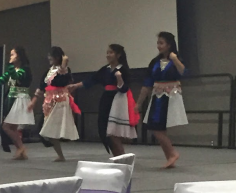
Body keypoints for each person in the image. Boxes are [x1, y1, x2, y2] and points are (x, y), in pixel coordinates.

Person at [68, 44, 139, 157]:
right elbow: (92, 80)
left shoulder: (123, 69)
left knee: (113, 131)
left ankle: (122, 156)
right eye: (107, 52)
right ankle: (116, 156)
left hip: (117, 101)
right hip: (106, 99)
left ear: (118, 55)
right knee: (104, 129)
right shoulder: (105, 69)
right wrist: (76, 86)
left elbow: (124, 88)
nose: (108, 55)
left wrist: (119, 78)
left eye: (111, 52)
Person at [136, 31, 188, 168]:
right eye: (158, 43)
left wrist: (175, 59)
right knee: (157, 127)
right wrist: (139, 103)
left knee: (158, 128)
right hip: (157, 96)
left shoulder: (177, 59)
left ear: (169, 45)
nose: (158, 46)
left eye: (161, 43)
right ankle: (170, 156)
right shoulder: (154, 62)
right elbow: (147, 83)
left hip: (170, 97)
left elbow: (183, 72)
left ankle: (172, 153)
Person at [28, 46, 80, 162]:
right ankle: (60, 155)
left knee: (49, 128)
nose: (49, 58)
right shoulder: (49, 71)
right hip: (49, 101)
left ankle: (60, 154)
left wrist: (63, 65)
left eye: (52, 56)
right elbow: (42, 86)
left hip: (60, 101)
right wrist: (34, 101)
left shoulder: (65, 70)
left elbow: (62, 80)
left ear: (57, 57)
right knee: (46, 129)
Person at [0, 46, 34, 160]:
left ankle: (21, 148)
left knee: (6, 126)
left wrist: (10, 65)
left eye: (13, 55)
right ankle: (21, 150)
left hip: (20, 99)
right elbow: (2, 79)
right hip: (12, 99)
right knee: (12, 127)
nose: (10, 57)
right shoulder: (13, 70)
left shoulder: (24, 70)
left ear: (19, 56)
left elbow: (16, 76)